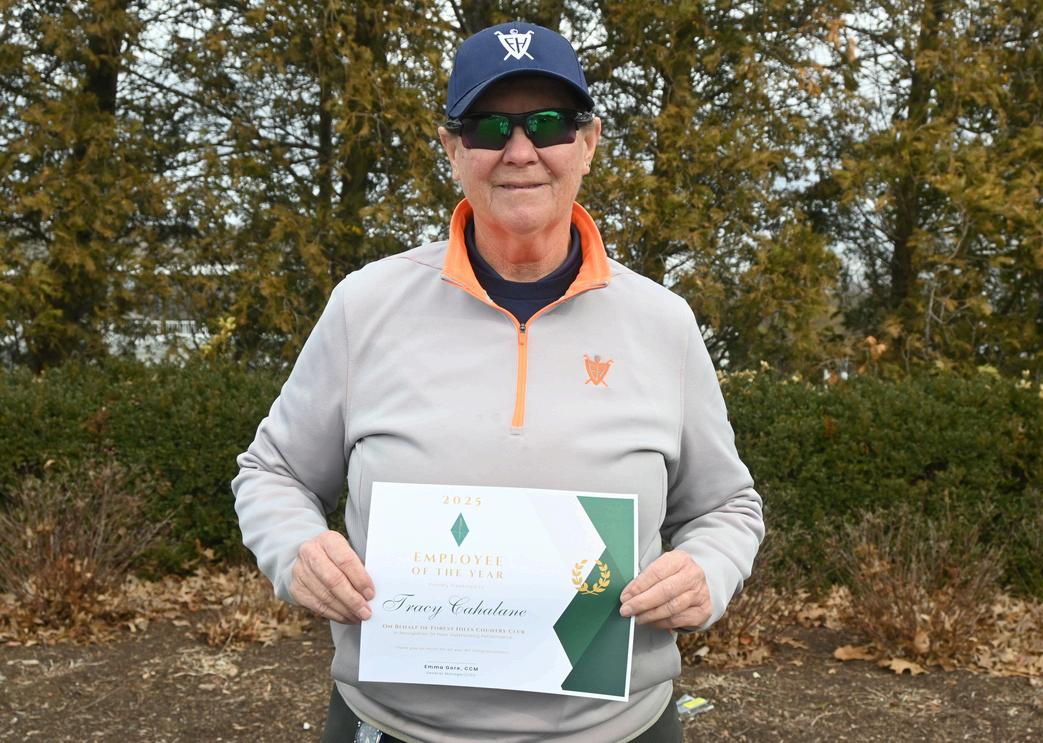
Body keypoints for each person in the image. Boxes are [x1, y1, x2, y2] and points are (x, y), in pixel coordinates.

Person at [233, 20, 764, 743]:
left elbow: (727, 505)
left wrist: (707, 568)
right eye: (488, 127)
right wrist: (297, 547)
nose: (519, 151)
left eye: (548, 124)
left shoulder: (661, 323)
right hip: (394, 727)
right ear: (453, 149)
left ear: (588, 143)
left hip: (616, 729)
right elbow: (273, 472)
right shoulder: (366, 306)